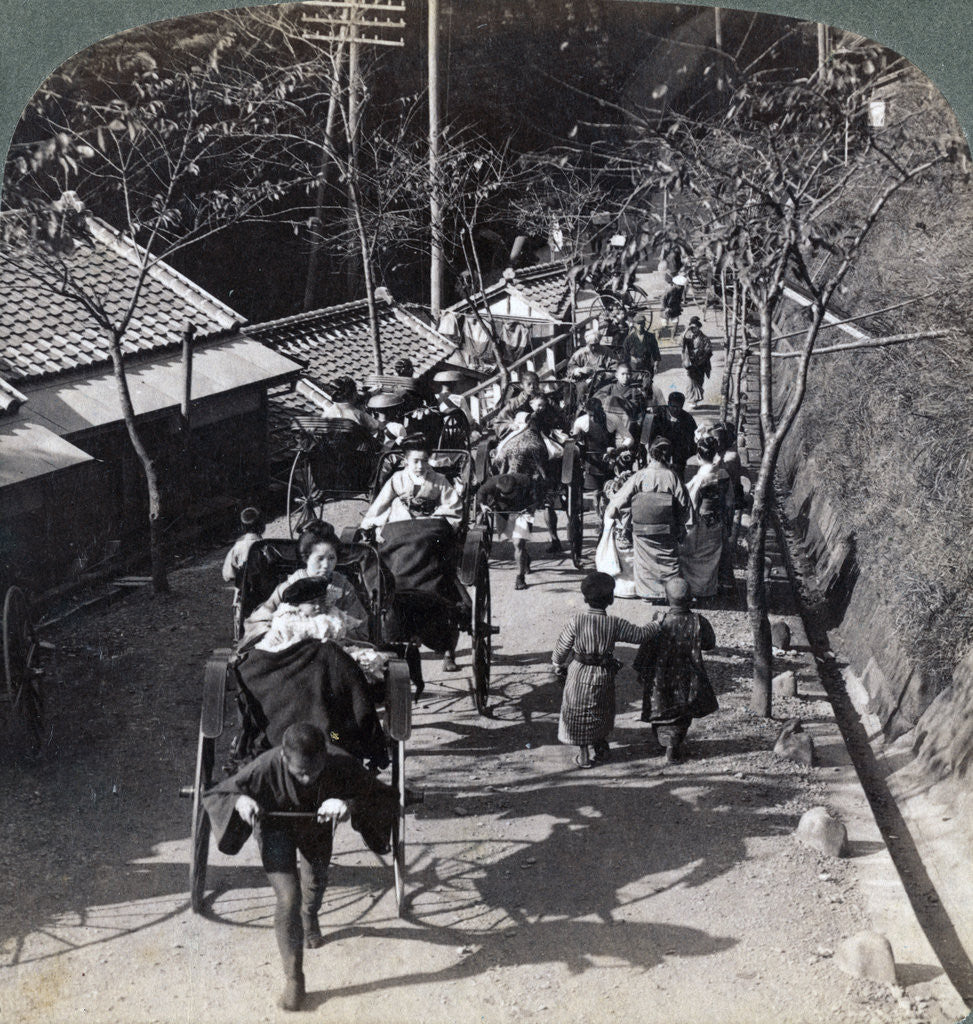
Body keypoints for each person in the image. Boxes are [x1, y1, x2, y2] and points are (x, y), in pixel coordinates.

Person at [203, 723, 397, 1011]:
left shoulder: (340, 762)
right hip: (274, 829)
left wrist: (347, 805)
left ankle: (310, 915)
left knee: (314, 883)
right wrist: (240, 801)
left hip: (315, 830)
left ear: (325, 757)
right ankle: (294, 980)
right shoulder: (265, 764)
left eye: (314, 772)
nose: (306, 779)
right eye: (299, 773)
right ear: (283, 758)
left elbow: (381, 796)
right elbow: (217, 794)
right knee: (288, 897)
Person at [552, 571, 658, 768]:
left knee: (577, 710)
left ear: (584, 598)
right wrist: (656, 623)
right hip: (603, 674)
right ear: (610, 599)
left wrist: (558, 665)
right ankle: (600, 746)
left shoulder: (576, 621)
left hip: (578, 672)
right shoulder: (614, 624)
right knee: (600, 709)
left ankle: (583, 754)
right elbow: (640, 635)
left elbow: (562, 647)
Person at [634, 577, 718, 763]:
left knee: (661, 709)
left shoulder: (659, 621)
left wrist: (641, 670)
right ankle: (674, 744)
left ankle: (664, 741)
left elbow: (645, 649)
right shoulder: (698, 621)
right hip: (687, 677)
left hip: (659, 677)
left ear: (666, 598)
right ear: (691, 598)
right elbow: (709, 644)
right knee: (682, 711)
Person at [603, 438, 693, 600]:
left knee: (644, 562)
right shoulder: (673, 477)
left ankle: (648, 593)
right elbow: (684, 507)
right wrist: (681, 525)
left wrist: (618, 515)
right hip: (667, 529)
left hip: (642, 530)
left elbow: (618, 502)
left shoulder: (640, 476)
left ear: (650, 456)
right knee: (669, 560)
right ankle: (672, 593)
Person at [244, 529, 368, 641]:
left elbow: (361, 626)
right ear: (306, 558)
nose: (326, 565)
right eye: (320, 558)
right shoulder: (290, 585)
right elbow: (257, 621)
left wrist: (335, 630)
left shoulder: (342, 586)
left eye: (331, 558)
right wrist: (271, 633)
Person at [494, 411, 563, 555]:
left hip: (510, 482)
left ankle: (522, 552)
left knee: (520, 514)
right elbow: (542, 469)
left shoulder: (510, 441)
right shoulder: (537, 443)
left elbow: (499, 461)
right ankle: (552, 538)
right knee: (544, 503)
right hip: (531, 483)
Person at [360, 440, 462, 530]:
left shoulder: (439, 479)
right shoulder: (398, 478)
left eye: (425, 461)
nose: (420, 466)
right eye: (415, 461)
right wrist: (369, 521)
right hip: (400, 522)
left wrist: (437, 520)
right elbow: (382, 502)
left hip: (428, 525)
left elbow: (452, 506)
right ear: (406, 460)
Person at [679, 434, 729, 599]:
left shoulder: (701, 478)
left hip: (701, 520)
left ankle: (694, 589)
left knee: (692, 554)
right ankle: (709, 589)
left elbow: (692, 503)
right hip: (717, 519)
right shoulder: (722, 474)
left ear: (698, 456)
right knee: (711, 555)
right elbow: (729, 501)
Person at [643, 392, 698, 476]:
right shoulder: (657, 413)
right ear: (668, 403)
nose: (676, 410)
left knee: (678, 476)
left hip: (678, 452)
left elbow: (693, 440)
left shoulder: (688, 419)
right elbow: (645, 433)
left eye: (679, 407)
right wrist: (648, 451)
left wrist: (685, 455)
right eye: (673, 406)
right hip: (658, 450)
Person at [222, 506, 265, 588]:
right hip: (266, 592)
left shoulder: (237, 547)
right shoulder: (266, 546)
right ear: (261, 526)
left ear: (242, 527)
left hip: (246, 593)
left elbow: (227, 575)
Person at [681, 316, 713, 407]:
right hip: (691, 364)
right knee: (691, 381)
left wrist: (701, 359)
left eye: (695, 327)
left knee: (699, 381)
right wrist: (686, 331)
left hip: (701, 364)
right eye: (692, 328)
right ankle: (692, 400)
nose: (694, 329)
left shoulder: (705, 339)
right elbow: (681, 342)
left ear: (699, 327)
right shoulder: (688, 337)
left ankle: (695, 400)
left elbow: (708, 352)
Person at [621, 313, 661, 379]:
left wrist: (656, 365)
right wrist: (630, 360)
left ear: (644, 324)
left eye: (642, 323)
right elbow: (624, 355)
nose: (640, 326)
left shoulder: (650, 337)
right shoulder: (629, 339)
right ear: (634, 324)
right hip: (633, 369)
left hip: (647, 368)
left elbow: (656, 353)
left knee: (647, 386)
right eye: (638, 323)